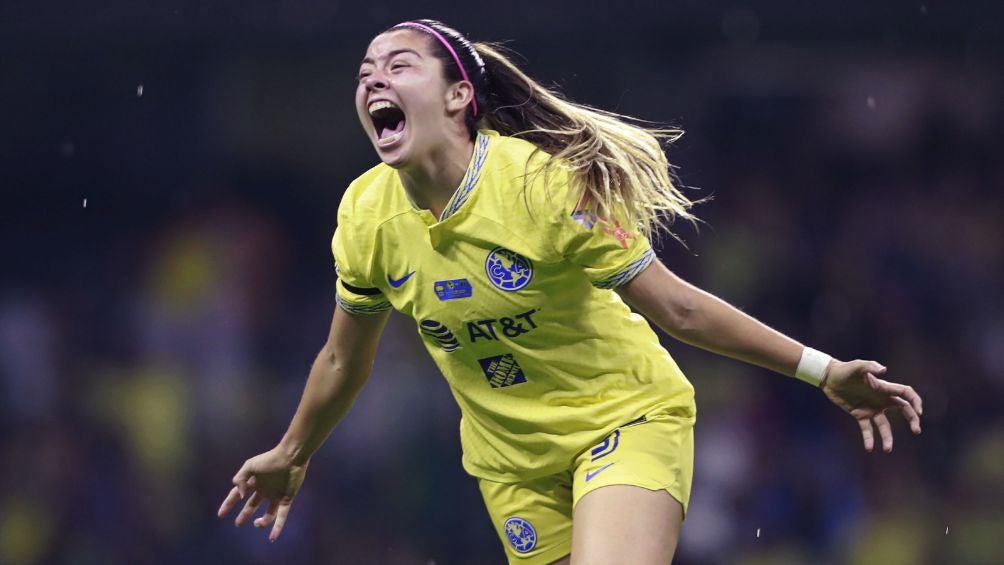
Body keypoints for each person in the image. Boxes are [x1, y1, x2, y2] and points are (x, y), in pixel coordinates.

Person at [217, 19, 924, 564]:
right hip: (512, 467)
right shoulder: (366, 214)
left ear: (460, 95)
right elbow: (344, 359)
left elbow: (675, 306)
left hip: (622, 422)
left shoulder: (542, 186)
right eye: (365, 72)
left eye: (399, 66)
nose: (374, 80)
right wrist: (294, 451)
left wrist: (822, 369)